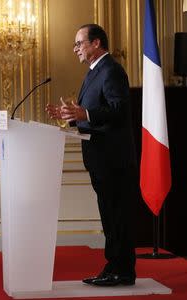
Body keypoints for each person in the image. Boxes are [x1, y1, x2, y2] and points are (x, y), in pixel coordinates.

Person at [46, 24, 137, 286]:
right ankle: (114, 267)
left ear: (96, 43)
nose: (75, 49)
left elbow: (119, 111)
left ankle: (122, 271)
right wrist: (71, 116)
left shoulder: (110, 70)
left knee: (116, 215)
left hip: (113, 158)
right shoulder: (94, 73)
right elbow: (94, 114)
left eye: (79, 43)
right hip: (100, 158)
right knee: (109, 215)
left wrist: (84, 114)